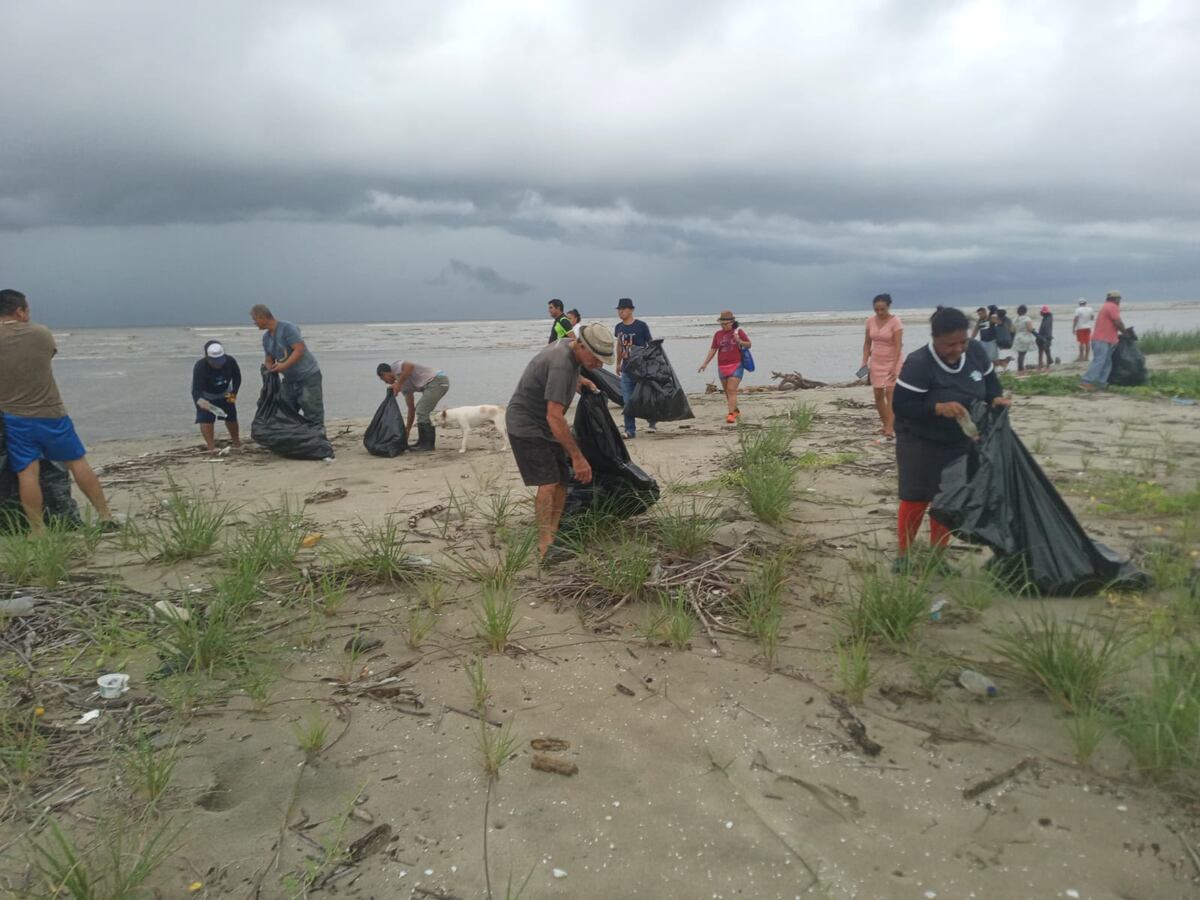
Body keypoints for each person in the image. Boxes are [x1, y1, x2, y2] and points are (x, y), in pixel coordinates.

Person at [892, 306, 1010, 571]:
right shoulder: (919, 363)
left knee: (947, 498)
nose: (957, 349)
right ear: (935, 339)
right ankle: (904, 556)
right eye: (950, 344)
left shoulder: (976, 353)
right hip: (919, 438)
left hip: (959, 438)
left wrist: (995, 398)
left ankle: (937, 558)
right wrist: (938, 408)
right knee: (916, 496)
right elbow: (902, 405)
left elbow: (990, 384)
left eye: (962, 342)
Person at [0, 289, 118, 534]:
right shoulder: (40, 333)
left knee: (27, 472)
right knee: (77, 462)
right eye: (27, 310)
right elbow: (47, 357)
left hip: (15, 415)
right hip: (52, 412)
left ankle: (37, 529)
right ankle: (105, 516)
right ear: (19, 310)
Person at [506, 323, 612, 563]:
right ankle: (544, 546)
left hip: (545, 423)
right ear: (583, 346)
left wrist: (581, 381)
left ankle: (553, 535)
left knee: (563, 479)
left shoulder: (569, 347)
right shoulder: (561, 363)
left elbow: (555, 378)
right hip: (526, 424)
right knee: (549, 481)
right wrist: (578, 456)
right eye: (596, 358)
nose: (600, 364)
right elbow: (554, 416)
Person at [251, 305, 324, 428]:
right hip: (289, 380)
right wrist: (269, 371)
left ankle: (317, 440)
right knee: (285, 411)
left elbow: (299, 349)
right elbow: (269, 359)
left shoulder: (287, 328)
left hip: (308, 376)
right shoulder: (267, 338)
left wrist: (283, 366)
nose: (254, 323)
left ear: (262, 317)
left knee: (312, 410)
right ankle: (293, 439)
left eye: (255, 319)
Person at [375, 360, 449, 451]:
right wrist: (407, 430)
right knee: (420, 409)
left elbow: (409, 365)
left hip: (438, 380)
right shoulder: (404, 386)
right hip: (432, 385)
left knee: (422, 410)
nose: (385, 382)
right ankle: (422, 442)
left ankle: (428, 445)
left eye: (383, 379)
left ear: (384, 373)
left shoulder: (395, 367)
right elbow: (411, 409)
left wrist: (398, 383)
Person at [860, 293, 903, 438]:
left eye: (882, 309)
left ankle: (890, 429)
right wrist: (864, 362)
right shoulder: (870, 321)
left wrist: (894, 364)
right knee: (878, 394)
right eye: (876, 309)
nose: (879, 312)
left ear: (888, 307)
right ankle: (885, 424)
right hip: (876, 361)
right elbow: (867, 343)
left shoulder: (895, 321)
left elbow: (898, 345)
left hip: (893, 360)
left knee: (890, 393)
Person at [613, 297, 657, 439]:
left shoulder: (641, 326)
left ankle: (651, 422)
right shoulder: (619, 327)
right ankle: (630, 430)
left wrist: (651, 363)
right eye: (619, 310)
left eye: (623, 309)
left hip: (640, 368)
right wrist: (618, 363)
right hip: (626, 368)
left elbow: (650, 345)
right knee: (627, 400)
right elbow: (619, 345)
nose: (621, 312)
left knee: (644, 397)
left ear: (631, 310)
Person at [699, 311, 752, 424]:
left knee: (731, 390)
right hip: (722, 366)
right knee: (727, 392)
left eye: (726, 324)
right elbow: (713, 349)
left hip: (736, 365)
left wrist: (739, 341)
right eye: (722, 324)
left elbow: (749, 344)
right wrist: (705, 363)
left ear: (732, 322)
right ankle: (735, 411)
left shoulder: (738, 332)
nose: (723, 326)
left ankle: (731, 415)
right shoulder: (718, 334)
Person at [192, 340, 242, 453]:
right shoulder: (200, 367)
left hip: (225, 392)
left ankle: (237, 442)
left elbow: (237, 377)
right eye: (214, 361)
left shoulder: (230, 361)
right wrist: (200, 401)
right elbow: (196, 389)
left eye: (220, 359)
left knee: (231, 417)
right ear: (207, 357)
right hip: (207, 395)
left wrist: (233, 394)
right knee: (206, 419)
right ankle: (211, 447)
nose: (218, 363)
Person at [1079, 291, 1127, 392]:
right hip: (1102, 340)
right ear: (1115, 299)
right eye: (1119, 299)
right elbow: (1117, 321)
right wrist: (1125, 332)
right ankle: (1086, 381)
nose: (1119, 301)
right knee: (1100, 361)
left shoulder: (1106, 306)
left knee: (1107, 362)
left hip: (1106, 339)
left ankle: (1101, 383)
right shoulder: (1112, 306)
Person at [1011, 305, 1038, 372]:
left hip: (1017, 337)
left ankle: (1020, 367)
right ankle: (1020, 369)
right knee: (1022, 354)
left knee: (1020, 353)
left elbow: (1012, 330)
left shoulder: (1015, 319)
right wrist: (1037, 335)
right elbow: (1030, 329)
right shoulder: (1027, 319)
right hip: (1025, 337)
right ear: (1025, 311)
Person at [1036, 305, 1054, 370]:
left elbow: (1044, 328)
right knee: (1046, 351)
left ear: (1043, 312)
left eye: (1041, 312)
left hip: (1045, 337)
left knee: (1042, 352)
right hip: (1046, 337)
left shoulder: (1047, 318)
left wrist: (1041, 337)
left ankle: (1042, 366)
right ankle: (1044, 366)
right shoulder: (1048, 317)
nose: (1040, 313)